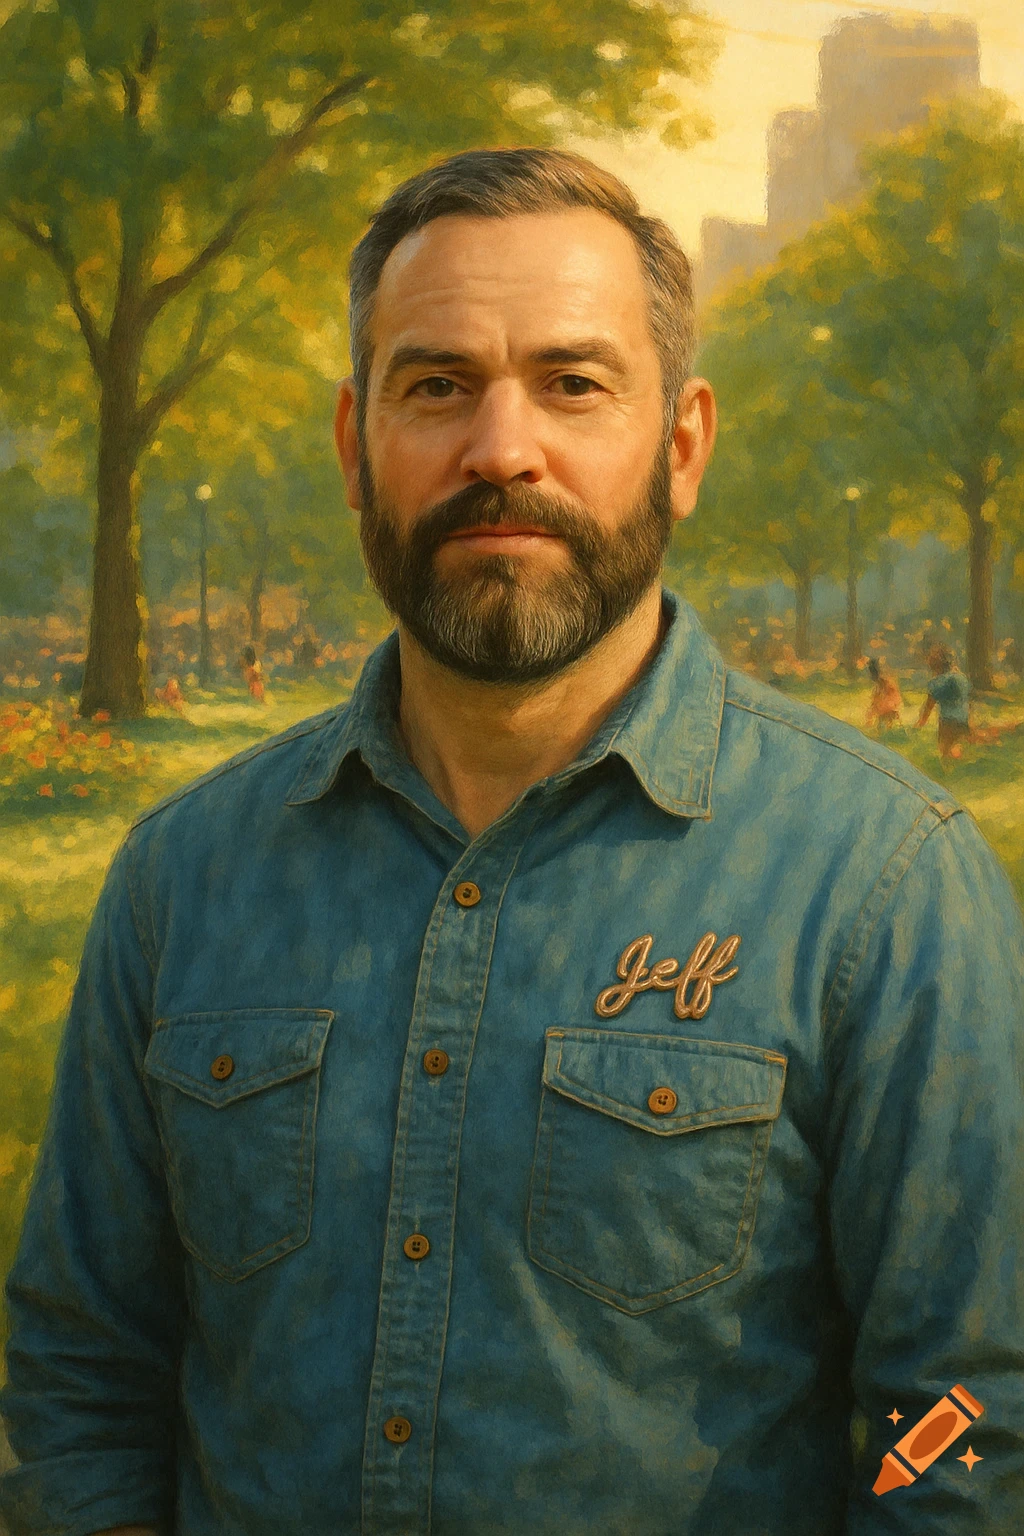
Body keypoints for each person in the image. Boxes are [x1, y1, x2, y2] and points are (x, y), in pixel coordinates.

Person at [2, 148, 1023, 1536]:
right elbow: (85, 1376)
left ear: (682, 444)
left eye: (572, 382)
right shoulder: (182, 882)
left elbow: (967, 1418)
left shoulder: (887, 880)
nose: (501, 448)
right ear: (355, 446)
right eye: (437, 387)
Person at [916, 642, 970, 758]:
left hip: (947, 721)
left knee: (945, 749)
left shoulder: (937, 682)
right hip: (963, 719)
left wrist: (921, 723)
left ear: (936, 665)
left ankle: (949, 767)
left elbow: (929, 706)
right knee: (958, 745)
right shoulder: (961, 678)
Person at [864, 656, 902, 733]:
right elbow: (875, 700)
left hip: (889, 708)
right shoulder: (880, 686)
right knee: (882, 727)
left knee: (888, 726)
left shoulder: (887, 683)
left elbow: (893, 697)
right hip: (886, 709)